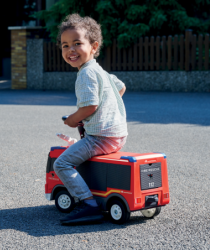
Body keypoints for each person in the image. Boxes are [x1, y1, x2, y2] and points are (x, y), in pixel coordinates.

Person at [53, 13, 128, 225]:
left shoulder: (86, 73)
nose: (71, 50)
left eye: (77, 43)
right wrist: (106, 110)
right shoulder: (100, 71)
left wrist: (72, 120)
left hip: (100, 138)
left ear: (94, 47)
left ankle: (89, 204)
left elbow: (89, 106)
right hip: (118, 135)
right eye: (65, 45)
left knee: (62, 163)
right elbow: (120, 87)